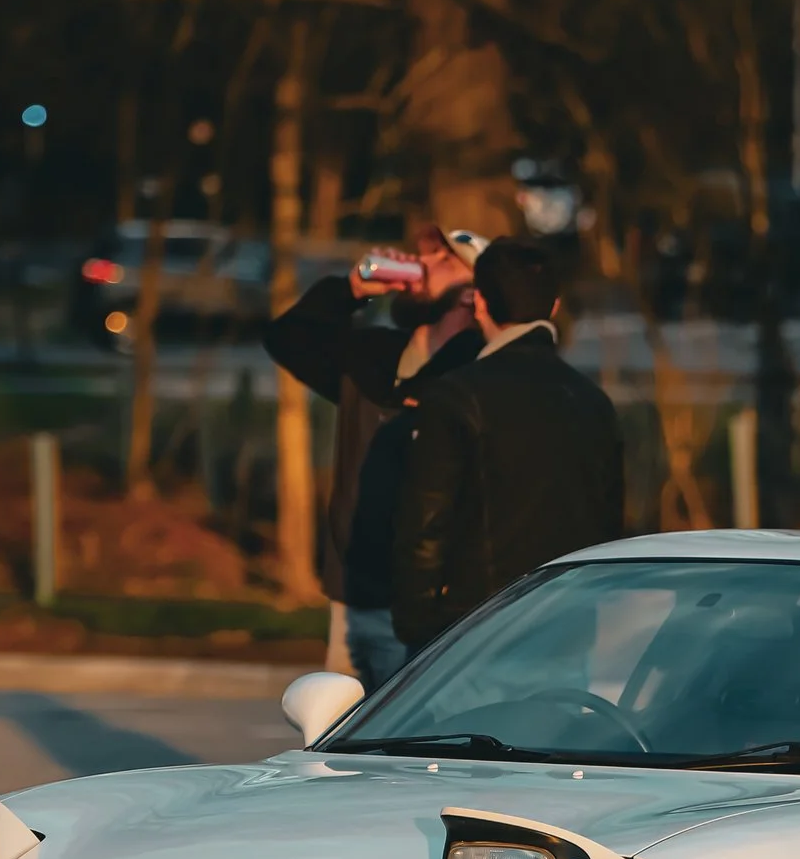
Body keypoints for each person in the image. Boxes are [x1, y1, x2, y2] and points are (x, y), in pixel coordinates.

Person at [262, 227, 486, 689]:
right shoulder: (373, 355)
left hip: (424, 604)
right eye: (424, 252)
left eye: (444, 259)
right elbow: (287, 339)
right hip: (351, 593)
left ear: (471, 295)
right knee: (340, 743)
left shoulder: (477, 380)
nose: (423, 262)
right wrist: (350, 291)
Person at [393, 239, 625, 651]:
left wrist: (417, 629)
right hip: (569, 628)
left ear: (479, 302)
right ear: (553, 306)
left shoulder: (457, 396)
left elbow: (425, 527)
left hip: (475, 633)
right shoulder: (594, 403)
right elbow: (608, 527)